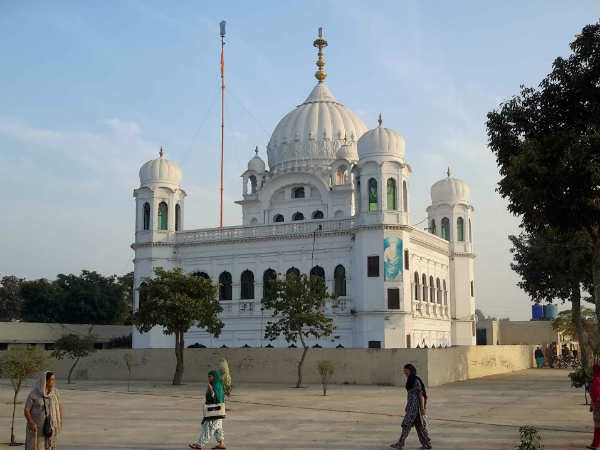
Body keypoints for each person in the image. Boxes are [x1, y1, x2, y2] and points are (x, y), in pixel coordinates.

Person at [391, 364, 432, 449]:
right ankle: (426, 444)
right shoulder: (410, 379)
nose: (404, 372)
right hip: (411, 407)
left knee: (406, 425)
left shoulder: (415, 380)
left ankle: (400, 443)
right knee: (419, 425)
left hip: (415, 408)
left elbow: (421, 395)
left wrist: (422, 408)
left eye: (405, 370)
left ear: (410, 370)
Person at [24, 371, 63, 450]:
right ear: (45, 381)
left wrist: (60, 421)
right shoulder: (34, 394)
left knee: (49, 446)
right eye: (52, 380)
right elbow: (26, 410)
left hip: (50, 427)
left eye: (54, 379)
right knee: (37, 446)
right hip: (36, 429)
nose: (54, 382)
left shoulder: (55, 393)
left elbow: (59, 407)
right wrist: (31, 423)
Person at [189, 370, 226, 450]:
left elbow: (218, 399)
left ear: (214, 377)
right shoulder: (215, 384)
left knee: (208, 428)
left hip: (214, 412)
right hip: (217, 412)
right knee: (217, 428)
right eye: (208, 376)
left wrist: (211, 390)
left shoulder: (216, 385)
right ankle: (222, 443)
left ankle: (199, 445)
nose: (209, 378)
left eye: (210, 376)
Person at [588, 363, 600, 449]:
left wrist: (592, 405)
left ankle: (595, 444)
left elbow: (594, 395)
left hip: (597, 407)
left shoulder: (595, 381)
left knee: (597, 425)